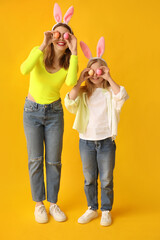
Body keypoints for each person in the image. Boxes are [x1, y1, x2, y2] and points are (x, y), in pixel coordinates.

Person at [20, 3, 78, 223]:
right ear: (52, 35)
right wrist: (43, 43)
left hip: (54, 113)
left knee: (54, 161)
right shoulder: (39, 53)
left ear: (70, 39)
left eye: (67, 35)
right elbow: (24, 69)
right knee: (35, 160)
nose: (61, 37)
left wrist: (74, 52)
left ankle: (53, 203)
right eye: (58, 33)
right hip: (32, 112)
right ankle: (39, 205)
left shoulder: (67, 63)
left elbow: (72, 82)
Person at [65, 37, 129, 226]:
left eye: (99, 70)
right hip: (86, 142)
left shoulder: (111, 92)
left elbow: (122, 95)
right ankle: (92, 208)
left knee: (107, 178)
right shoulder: (84, 92)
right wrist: (80, 80)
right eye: (92, 71)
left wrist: (108, 77)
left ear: (104, 72)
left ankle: (106, 210)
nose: (96, 74)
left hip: (106, 142)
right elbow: (69, 101)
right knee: (89, 178)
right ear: (88, 72)